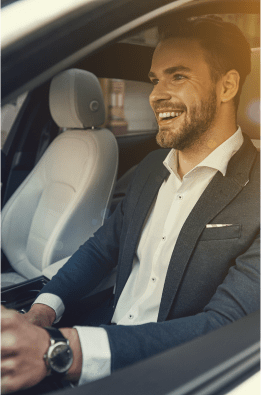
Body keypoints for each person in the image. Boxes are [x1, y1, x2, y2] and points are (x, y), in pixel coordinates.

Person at [0, 16, 260, 394]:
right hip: (99, 337)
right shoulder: (152, 167)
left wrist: (61, 349)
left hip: (172, 373)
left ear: (228, 85)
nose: (156, 95)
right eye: (156, 80)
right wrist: (43, 311)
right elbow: (102, 248)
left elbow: (224, 325)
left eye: (178, 76)